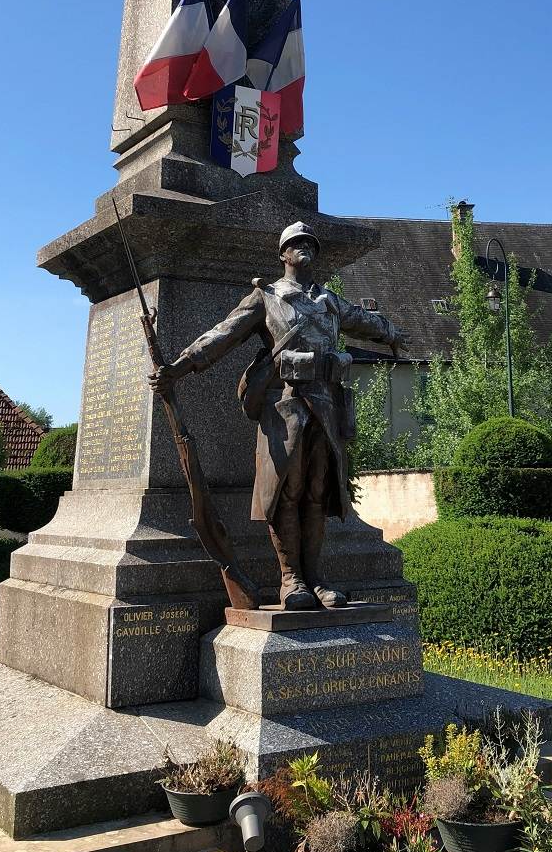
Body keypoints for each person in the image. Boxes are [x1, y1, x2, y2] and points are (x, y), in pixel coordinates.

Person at [149, 222, 405, 610]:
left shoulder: (330, 301)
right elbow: (222, 335)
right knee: (287, 490)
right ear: (282, 255)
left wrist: (394, 333)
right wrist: (179, 367)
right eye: (295, 244)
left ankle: (317, 579)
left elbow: (365, 322)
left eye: (309, 244)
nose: (304, 248)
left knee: (318, 492)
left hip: (327, 405)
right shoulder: (266, 297)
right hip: (283, 406)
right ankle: (291, 580)